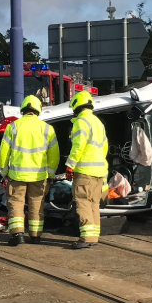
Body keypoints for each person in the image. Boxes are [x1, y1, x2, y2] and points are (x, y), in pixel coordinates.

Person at [0, 95, 59, 246]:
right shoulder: (47, 128)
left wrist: (4, 172)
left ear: (23, 109)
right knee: (37, 205)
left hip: (17, 175)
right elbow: (54, 155)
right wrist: (50, 174)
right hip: (39, 176)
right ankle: (36, 236)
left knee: (16, 204)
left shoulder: (13, 127)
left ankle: (18, 234)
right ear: (38, 109)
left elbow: (3, 153)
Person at [66, 91, 108, 249]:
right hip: (99, 172)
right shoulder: (98, 122)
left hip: (85, 170)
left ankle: (86, 238)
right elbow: (104, 148)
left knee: (82, 202)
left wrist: (70, 164)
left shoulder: (81, 122)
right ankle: (94, 236)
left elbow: (78, 145)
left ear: (77, 105)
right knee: (93, 204)